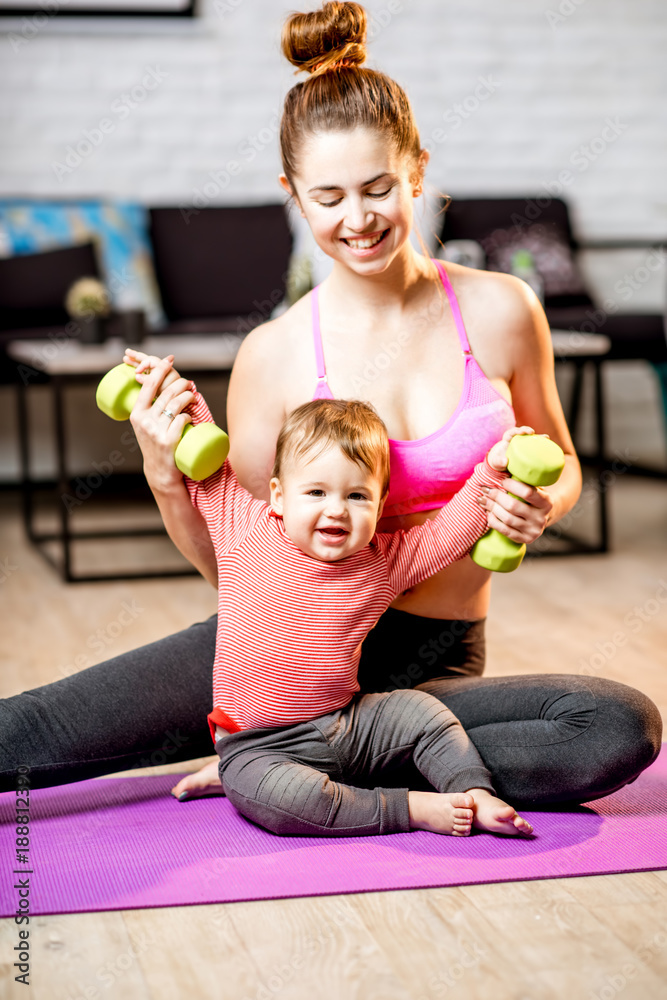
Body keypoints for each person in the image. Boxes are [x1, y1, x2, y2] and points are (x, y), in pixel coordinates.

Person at [0, 0, 661, 801]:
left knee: (613, 726)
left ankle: (297, 758)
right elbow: (235, 567)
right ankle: (287, 746)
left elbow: (560, 464)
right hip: (279, 649)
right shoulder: (273, 356)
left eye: (379, 187)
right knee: (30, 731)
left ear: (417, 168)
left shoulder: (502, 310)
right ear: (293, 195)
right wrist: (164, 470)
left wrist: (541, 504)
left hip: (434, 659)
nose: (359, 219)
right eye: (329, 197)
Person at [137, 366, 535, 838]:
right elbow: (206, 458)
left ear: (380, 505)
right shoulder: (243, 525)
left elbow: (451, 529)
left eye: (357, 496)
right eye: (317, 492)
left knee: (422, 713)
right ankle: (410, 809)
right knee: (284, 802)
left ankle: (474, 792)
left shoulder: (384, 563)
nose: (336, 509)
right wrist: (176, 391)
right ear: (280, 497)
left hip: (347, 726)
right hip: (257, 746)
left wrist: (496, 467)